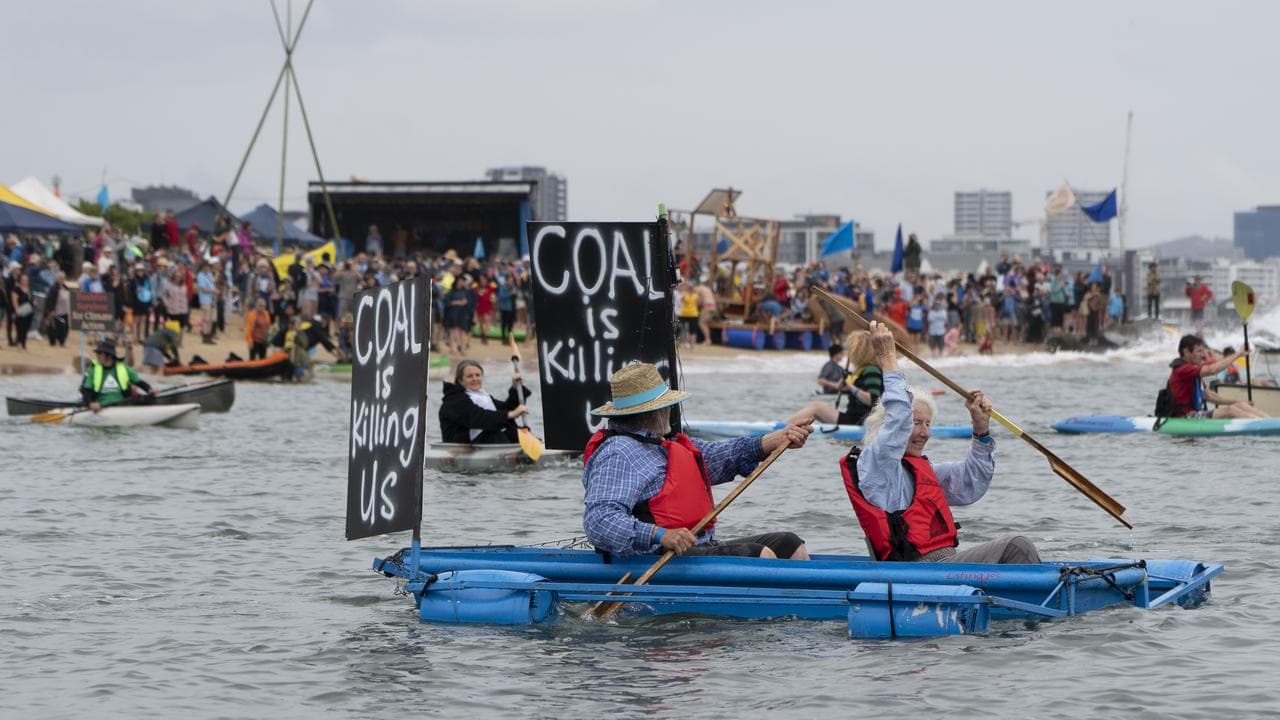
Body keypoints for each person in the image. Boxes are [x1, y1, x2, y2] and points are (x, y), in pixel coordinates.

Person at [842, 320, 1041, 564]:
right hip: (916, 571)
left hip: (945, 564)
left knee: (1017, 547)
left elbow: (971, 481)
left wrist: (980, 429)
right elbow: (898, 419)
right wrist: (887, 358)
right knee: (1017, 546)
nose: (924, 433)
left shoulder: (925, 471)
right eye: (916, 423)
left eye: (928, 424)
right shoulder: (875, 463)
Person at [582, 362, 812, 559]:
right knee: (760, 555)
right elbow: (599, 521)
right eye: (667, 405)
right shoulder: (619, 452)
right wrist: (661, 535)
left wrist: (775, 440)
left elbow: (722, 454)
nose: (670, 410)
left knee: (790, 545)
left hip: (696, 549)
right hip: (656, 557)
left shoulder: (665, 444)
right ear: (656, 412)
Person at [787, 331, 883, 426]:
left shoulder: (872, 370)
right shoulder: (862, 370)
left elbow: (873, 400)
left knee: (816, 407)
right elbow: (858, 392)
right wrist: (844, 387)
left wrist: (850, 387)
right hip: (854, 417)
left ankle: (783, 427)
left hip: (859, 420)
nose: (848, 353)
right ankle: (788, 426)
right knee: (817, 409)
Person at [1166, 334, 1266, 419]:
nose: (1203, 355)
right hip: (1185, 417)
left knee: (1241, 405)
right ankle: (1262, 424)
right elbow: (1212, 370)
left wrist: (1237, 401)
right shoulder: (1182, 369)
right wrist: (1239, 353)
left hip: (1196, 413)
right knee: (1230, 410)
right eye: (1199, 351)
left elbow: (1210, 396)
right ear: (1186, 352)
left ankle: (1269, 421)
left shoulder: (1192, 371)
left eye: (1202, 351)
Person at [438, 359, 531, 444]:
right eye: (470, 376)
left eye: (478, 375)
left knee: (519, 432)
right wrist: (510, 414)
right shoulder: (454, 400)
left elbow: (506, 409)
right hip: (460, 446)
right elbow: (479, 418)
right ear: (461, 381)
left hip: (485, 440)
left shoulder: (482, 395)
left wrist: (515, 388)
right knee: (495, 434)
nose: (475, 379)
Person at [80, 339, 154, 411]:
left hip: (122, 406)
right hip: (100, 407)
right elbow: (87, 390)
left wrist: (150, 390)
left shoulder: (124, 368)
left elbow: (140, 383)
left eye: (100, 353)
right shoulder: (93, 370)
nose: (97, 355)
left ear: (109, 356)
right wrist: (90, 403)